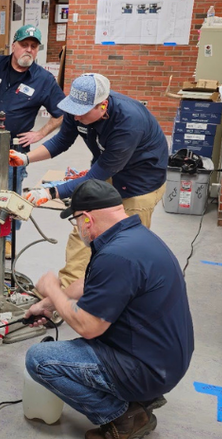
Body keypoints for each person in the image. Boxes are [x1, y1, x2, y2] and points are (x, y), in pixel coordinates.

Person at [23, 180, 193, 439]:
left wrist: (53, 289)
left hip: (148, 369)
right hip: (163, 358)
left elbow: (88, 326)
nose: (76, 228)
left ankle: (120, 417)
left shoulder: (116, 256)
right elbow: (91, 283)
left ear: (87, 219)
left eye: (75, 221)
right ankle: (138, 399)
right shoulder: (134, 237)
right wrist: (49, 304)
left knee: (39, 360)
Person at [16, 73, 168, 286]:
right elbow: (62, 140)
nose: (75, 117)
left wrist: (49, 193)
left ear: (103, 106)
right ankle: (67, 291)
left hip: (140, 183)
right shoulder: (77, 108)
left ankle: (117, 296)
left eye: (81, 113)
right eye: (73, 111)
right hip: (107, 171)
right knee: (84, 228)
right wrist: (25, 158)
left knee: (126, 246)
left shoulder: (129, 122)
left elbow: (96, 175)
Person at [0, 24, 66, 238]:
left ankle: (8, 239)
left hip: (13, 151)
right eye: (24, 45)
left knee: (10, 198)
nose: (29, 50)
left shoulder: (43, 80)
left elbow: (61, 113)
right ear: (14, 46)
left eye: (34, 47)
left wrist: (39, 134)